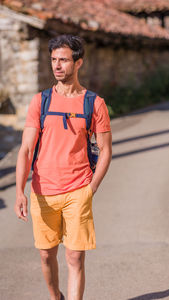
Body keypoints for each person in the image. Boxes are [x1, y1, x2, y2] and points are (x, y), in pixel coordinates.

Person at [15, 34, 112, 300]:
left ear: (78, 63)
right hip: (43, 190)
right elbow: (25, 149)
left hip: (78, 190)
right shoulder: (41, 101)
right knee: (46, 255)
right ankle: (55, 297)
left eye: (64, 60)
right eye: (54, 60)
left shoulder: (94, 103)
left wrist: (90, 189)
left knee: (75, 257)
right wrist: (19, 192)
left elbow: (106, 150)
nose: (57, 66)